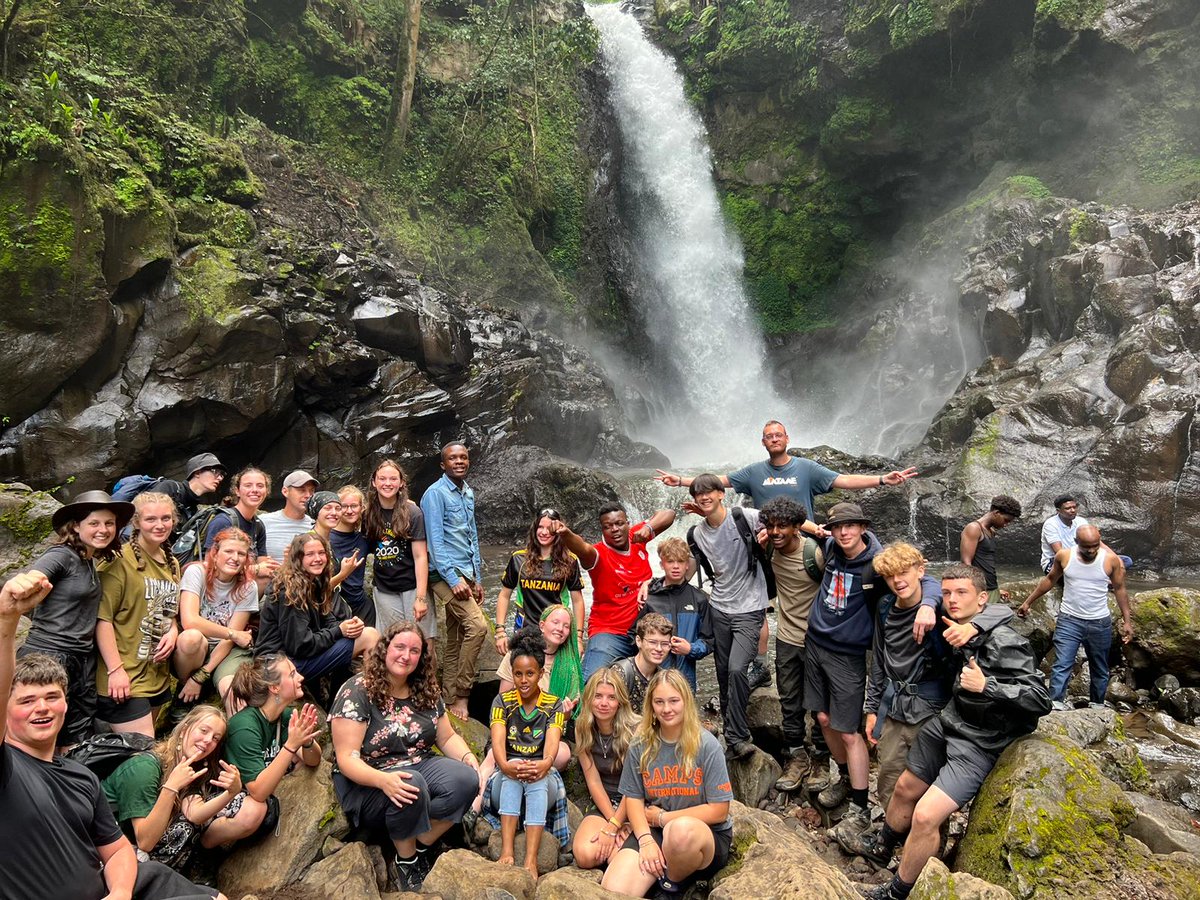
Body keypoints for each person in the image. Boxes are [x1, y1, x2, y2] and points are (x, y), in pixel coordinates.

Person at [0, 570, 227, 900]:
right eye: (26, 701)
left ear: (66, 704)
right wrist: (7, 624)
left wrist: (119, 892)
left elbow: (120, 850)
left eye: (51, 698)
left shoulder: (82, 777)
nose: (42, 709)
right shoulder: (7, 766)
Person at [656, 419, 919, 689]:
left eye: (778, 434)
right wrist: (680, 481)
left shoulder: (806, 468)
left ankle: (819, 650)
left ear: (787, 438)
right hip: (765, 545)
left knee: (810, 596)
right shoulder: (753, 472)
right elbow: (717, 484)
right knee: (761, 604)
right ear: (763, 442)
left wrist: (881, 480)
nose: (773, 438)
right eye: (768, 436)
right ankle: (760, 664)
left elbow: (841, 480)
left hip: (801, 543)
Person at [855, 565, 1051, 900]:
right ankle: (883, 844)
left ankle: (897, 891)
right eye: (947, 593)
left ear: (982, 598)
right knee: (903, 787)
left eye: (961, 593)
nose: (952, 600)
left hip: (979, 742)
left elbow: (1040, 698)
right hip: (948, 722)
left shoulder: (1005, 640)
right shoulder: (956, 625)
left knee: (926, 815)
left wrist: (988, 685)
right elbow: (923, 584)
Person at [804, 503, 936, 836]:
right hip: (816, 642)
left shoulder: (876, 562)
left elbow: (924, 577)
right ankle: (846, 780)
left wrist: (930, 605)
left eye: (850, 525)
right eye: (837, 527)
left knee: (850, 731)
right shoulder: (831, 546)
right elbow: (806, 527)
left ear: (863, 527)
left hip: (847, 653)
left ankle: (860, 806)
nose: (843, 532)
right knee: (822, 719)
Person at [330, 621, 481, 892]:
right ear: (385, 649)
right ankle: (406, 860)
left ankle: (421, 842)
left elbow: (446, 738)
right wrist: (382, 780)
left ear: (421, 657)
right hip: (368, 779)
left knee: (466, 779)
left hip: (418, 762)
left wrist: (468, 757)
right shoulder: (357, 691)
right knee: (410, 783)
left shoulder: (425, 689)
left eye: (414, 650)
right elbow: (346, 758)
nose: (406, 656)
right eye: (399, 647)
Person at [602, 668, 734, 897]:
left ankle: (671, 885)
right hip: (655, 831)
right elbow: (633, 798)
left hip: (703, 836)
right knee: (614, 889)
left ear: (686, 702)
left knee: (679, 831)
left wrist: (663, 818)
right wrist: (645, 841)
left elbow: (720, 811)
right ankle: (661, 872)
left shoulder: (706, 744)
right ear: (651, 706)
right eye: (659, 702)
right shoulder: (640, 744)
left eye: (674, 701)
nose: (667, 709)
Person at [19, 489, 131, 749]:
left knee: (76, 733)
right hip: (49, 654)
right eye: (94, 523)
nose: (103, 529)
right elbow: (35, 576)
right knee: (42, 729)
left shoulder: (89, 561)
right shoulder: (62, 555)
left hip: (81, 658)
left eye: (109, 523)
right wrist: (28, 583)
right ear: (76, 526)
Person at [102, 704, 265, 866]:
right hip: (109, 851)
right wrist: (171, 787)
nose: (208, 740)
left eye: (216, 738)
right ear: (185, 729)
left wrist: (231, 792)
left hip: (140, 846)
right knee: (182, 827)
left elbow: (195, 814)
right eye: (203, 730)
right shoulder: (144, 767)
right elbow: (145, 841)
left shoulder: (192, 767)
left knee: (235, 800)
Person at [684, 474, 770, 760]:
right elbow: (687, 568)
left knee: (736, 669)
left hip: (750, 607)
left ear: (722, 493)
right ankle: (732, 736)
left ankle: (737, 735)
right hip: (719, 607)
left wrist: (820, 532)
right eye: (698, 494)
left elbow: (785, 522)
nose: (704, 497)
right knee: (722, 674)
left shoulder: (745, 516)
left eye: (709, 492)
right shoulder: (696, 533)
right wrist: (653, 584)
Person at [96, 492, 189, 737]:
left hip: (156, 676)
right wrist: (115, 671)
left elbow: (169, 608)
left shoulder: (172, 563)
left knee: (144, 752)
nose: (160, 525)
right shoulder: (118, 561)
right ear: (136, 522)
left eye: (166, 518)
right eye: (151, 519)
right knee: (144, 758)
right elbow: (102, 619)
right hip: (124, 679)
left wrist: (173, 628)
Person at [553, 502, 677, 681]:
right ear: (602, 530)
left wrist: (649, 528)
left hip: (645, 629)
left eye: (619, 523)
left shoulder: (637, 537)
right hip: (610, 630)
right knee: (591, 681)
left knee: (670, 680)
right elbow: (582, 548)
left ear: (628, 523)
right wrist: (566, 534)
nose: (615, 530)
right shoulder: (597, 554)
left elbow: (668, 513)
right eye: (608, 527)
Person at [1017, 525, 1132, 709]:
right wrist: (1028, 602)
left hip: (1099, 621)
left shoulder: (1111, 560)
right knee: (1062, 664)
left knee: (1099, 666)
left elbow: (1120, 589)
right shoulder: (1064, 556)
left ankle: (1097, 705)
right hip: (1069, 620)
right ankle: (1055, 704)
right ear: (1077, 542)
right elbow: (1049, 580)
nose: (1092, 550)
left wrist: (1127, 621)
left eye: (1095, 545)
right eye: (1087, 546)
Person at [758, 495, 826, 793]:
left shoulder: (814, 554)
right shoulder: (768, 548)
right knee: (789, 699)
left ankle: (822, 760)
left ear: (798, 527)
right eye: (771, 525)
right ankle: (796, 756)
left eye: (782, 526)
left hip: (817, 640)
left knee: (820, 702)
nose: (775, 531)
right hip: (786, 637)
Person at [489, 626, 565, 883]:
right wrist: (504, 765)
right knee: (512, 772)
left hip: (540, 780)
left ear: (540, 673)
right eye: (518, 674)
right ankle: (507, 849)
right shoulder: (502, 702)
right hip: (508, 777)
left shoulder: (553, 704)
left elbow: (552, 744)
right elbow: (498, 742)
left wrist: (544, 764)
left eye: (530, 674)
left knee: (537, 776)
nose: (523, 680)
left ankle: (531, 858)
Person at [256, 533, 381, 682]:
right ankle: (371, 693)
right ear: (298, 559)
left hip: (297, 656)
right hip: (276, 664)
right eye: (310, 554)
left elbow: (328, 621)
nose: (318, 559)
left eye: (321, 553)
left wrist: (348, 627)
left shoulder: (315, 581)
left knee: (362, 633)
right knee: (369, 637)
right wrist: (338, 631)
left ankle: (339, 697)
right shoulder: (290, 590)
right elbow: (300, 645)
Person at [421, 442, 486, 720]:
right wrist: (453, 578)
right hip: (444, 574)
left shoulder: (467, 492)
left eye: (463, 457)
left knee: (456, 636)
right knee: (478, 626)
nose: (459, 461)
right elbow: (434, 543)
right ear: (442, 464)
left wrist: (477, 578)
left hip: (465, 572)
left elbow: (471, 535)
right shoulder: (434, 494)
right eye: (452, 458)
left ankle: (446, 698)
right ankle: (462, 694)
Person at [224, 655, 322, 807]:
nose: (301, 677)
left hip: (269, 797)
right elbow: (258, 792)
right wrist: (291, 745)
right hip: (232, 802)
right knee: (255, 809)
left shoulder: (286, 715)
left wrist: (306, 740)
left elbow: (313, 761)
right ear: (275, 688)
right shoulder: (244, 727)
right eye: (292, 674)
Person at [177, 528, 259, 713]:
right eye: (228, 551)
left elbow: (229, 642)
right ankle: (182, 693)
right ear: (215, 554)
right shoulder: (196, 572)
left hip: (225, 650)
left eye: (241, 553)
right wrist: (233, 634)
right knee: (191, 637)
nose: (235, 558)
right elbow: (190, 621)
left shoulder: (248, 586)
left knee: (232, 691)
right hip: (194, 649)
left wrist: (201, 676)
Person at [494, 508, 585, 657]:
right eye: (540, 527)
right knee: (522, 676)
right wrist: (500, 631)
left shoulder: (570, 561)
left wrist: (579, 638)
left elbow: (577, 600)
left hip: (557, 632)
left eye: (549, 528)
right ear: (534, 529)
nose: (544, 532)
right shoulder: (518, 559)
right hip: (524, 630)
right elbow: (504, 595)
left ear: (558, 531)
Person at [573, 667, 638, 870]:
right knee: (585, 855)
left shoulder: (636, 730)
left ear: (620, 702)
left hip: (636, 802)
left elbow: (636, 786)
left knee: (615, 860)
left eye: (611, 697)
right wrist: (612, 821)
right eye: (598, 696)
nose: (603, 703)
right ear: (589, 699)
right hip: (606, 803)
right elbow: (593, 780)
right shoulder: (582, 728)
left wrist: (615, 826)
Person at [363, 459, 429, 640]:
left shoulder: (413, 513)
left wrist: (421, 598)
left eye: (393, 479)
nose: (387, 483)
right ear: (374, 482)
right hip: (384, 588)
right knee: (392, 640)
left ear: (401, 483)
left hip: (412, 586)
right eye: (382, 479)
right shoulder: (367, 514)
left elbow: (420, 556)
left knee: (422, 639)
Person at [637, 537, 711, 691]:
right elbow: (635, 636)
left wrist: (690, 649)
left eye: (680, 561)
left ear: (687, 565)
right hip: (652, 679)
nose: (675, 566)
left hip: (685, 680)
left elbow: (709, 641)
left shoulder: (699, 599)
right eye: (670, 561)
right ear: (662, 565)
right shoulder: (649, 598)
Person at [204, 466, 275, 587]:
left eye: (260, 486)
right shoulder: (223, 521)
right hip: (217, 589)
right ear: (237, 491)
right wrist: (256, 569)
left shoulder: (258, 525)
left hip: (244, 588)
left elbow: (264, 567)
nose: (255, 490)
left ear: (266, 491)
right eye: (248, 485)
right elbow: (209, 566)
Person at [959, 495, 1022, 601]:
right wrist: (977, 590)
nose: (1006, 525)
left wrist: (996, 590)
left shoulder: (991, 531)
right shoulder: (974, 528)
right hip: (979, 590)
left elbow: (987, 563)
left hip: (991, 587)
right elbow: (966, 563)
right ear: (996, 513)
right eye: (1006, 520)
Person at [308, 491, 367, 594]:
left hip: (351, 603)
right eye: (328, 508)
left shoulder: (362, 539)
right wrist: (343, 574)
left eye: (337, 508)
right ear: (316, 511)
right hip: (321, 605)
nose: (334, 513)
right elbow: (312, 590)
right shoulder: (309, 542)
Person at [613, 613, 674, 714]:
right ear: (638, 641)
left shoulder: (663, 677)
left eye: (664, 644)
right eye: (652, 642)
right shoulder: (620, 673)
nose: (659, 649)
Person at [152, 453, 227, 533]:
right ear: (197, 473)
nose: (220, 478)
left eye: (222, 475)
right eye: (215, 472)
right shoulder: (170, 488)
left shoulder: (194, 509)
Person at [332, 485, 374, 625]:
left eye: (354, 506)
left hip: (361, 605)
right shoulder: (327, 537)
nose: (349, 511)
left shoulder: (363, 539)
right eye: (344, 506)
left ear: (362, 508)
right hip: (335, 605)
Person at [260, 470, 319, 562]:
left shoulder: (315, 525)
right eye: (301, 490)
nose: (308, 495)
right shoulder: (263, 522)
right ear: (285, 491)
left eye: (311, 491)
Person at [1039, 494, 1087, 575]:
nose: (1073, 510)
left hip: (1079, 558)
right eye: (1068, 508)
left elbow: (1096, 543)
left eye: (1074, 507)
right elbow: (1059, 552)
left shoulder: (1081, 522)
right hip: (1054, 562)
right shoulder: (1051, 524)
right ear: (1058, 511)